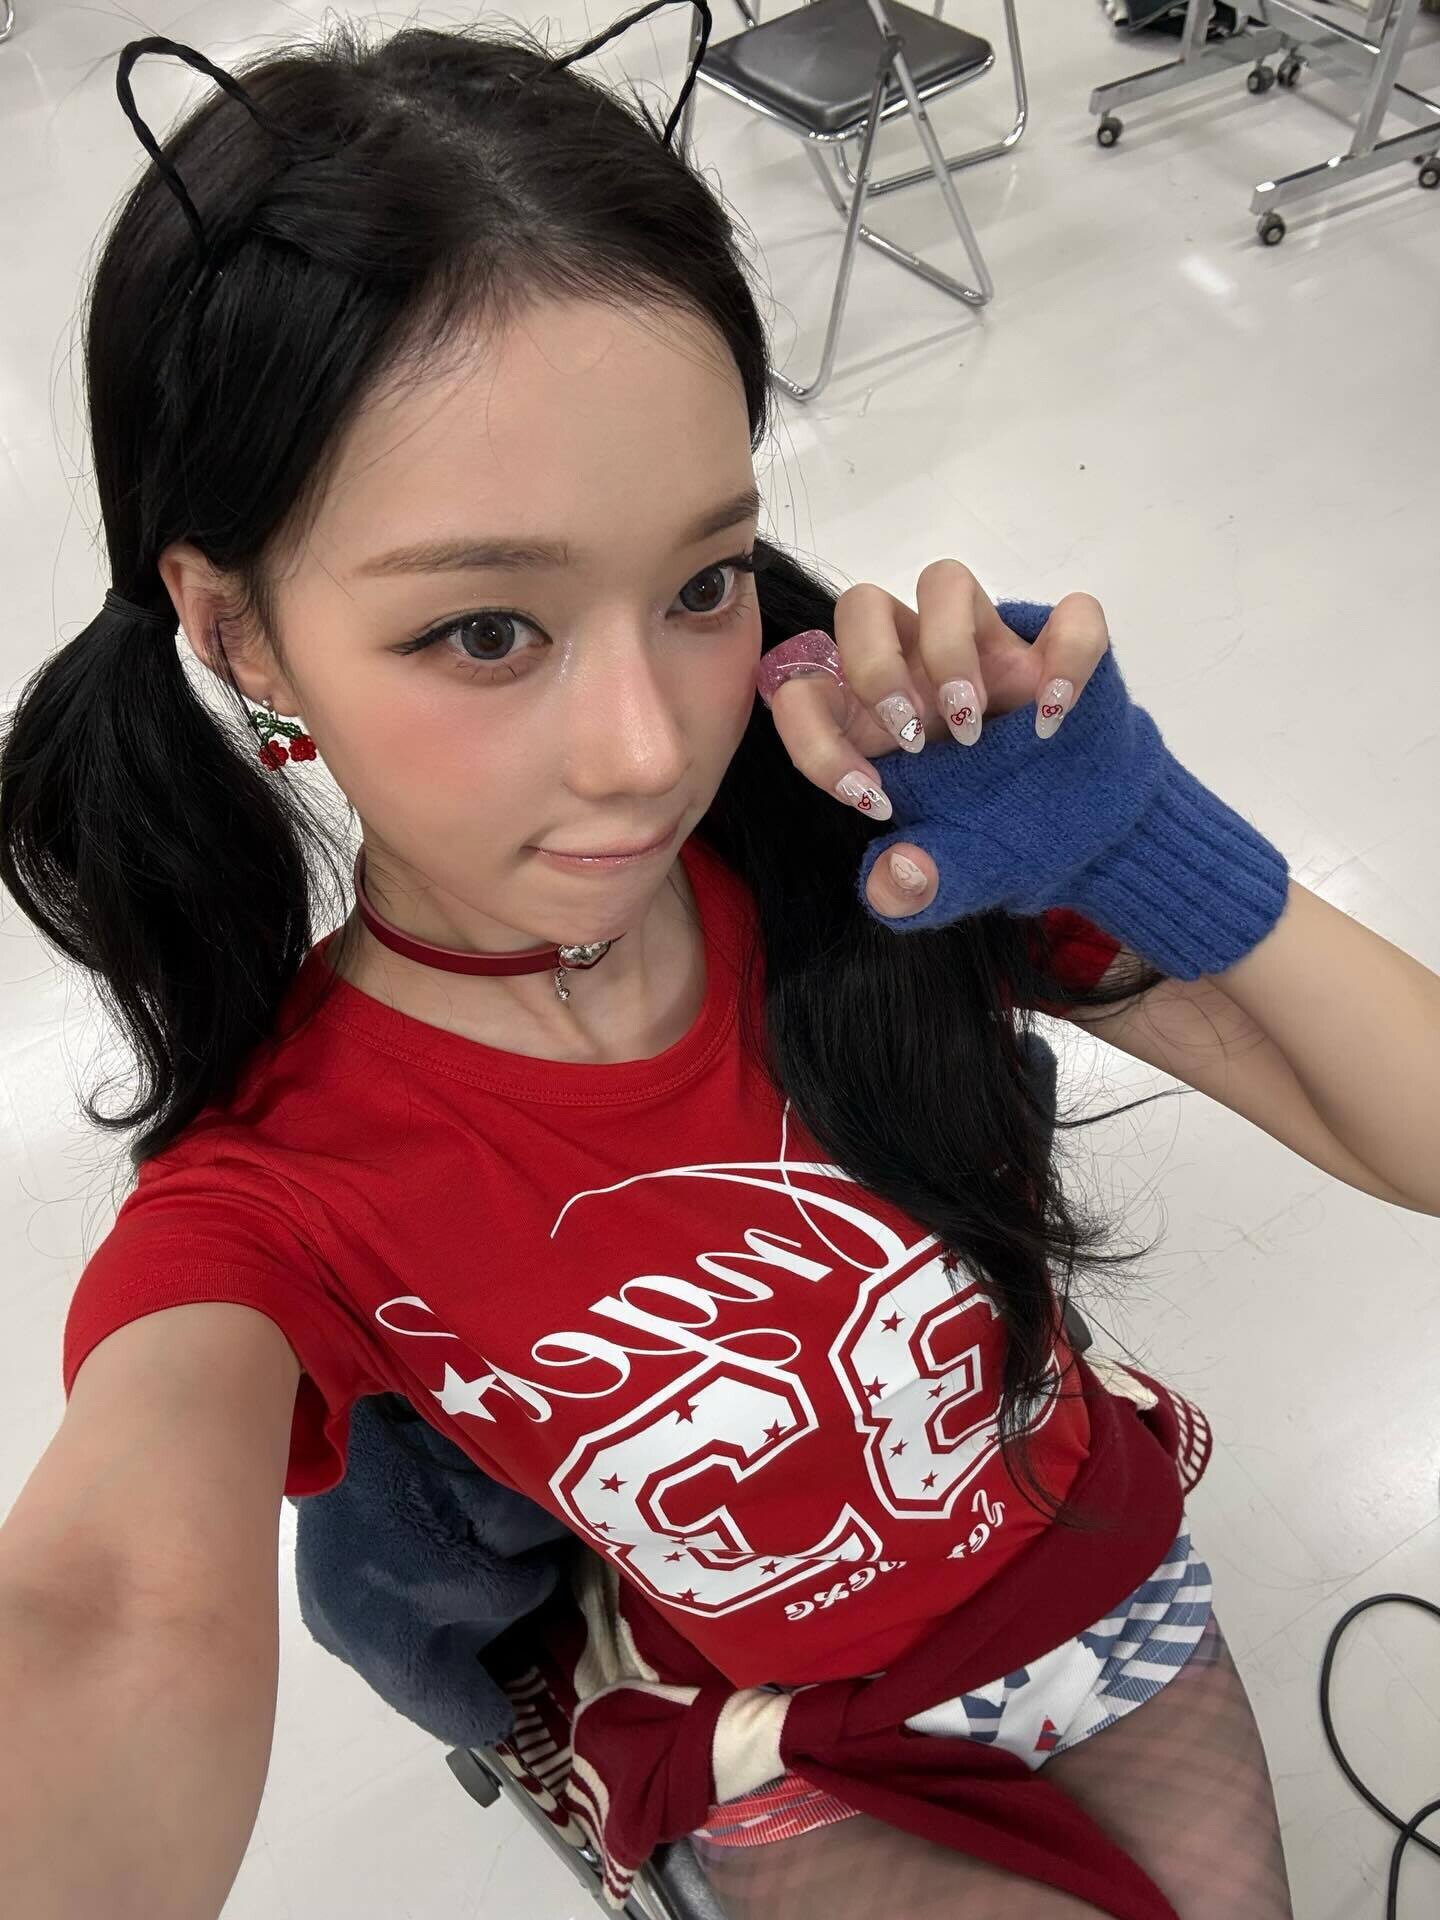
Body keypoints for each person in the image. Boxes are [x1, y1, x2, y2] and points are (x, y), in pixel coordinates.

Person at [19, 12, 1435, 1918]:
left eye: (701, 583)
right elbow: (104, 1613)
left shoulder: (875, 853)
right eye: (486, 628)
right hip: (776, 1725)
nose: (647, 747)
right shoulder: (275, 1193)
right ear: (239, 629)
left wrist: (1144, 833)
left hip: (1087, 1563)